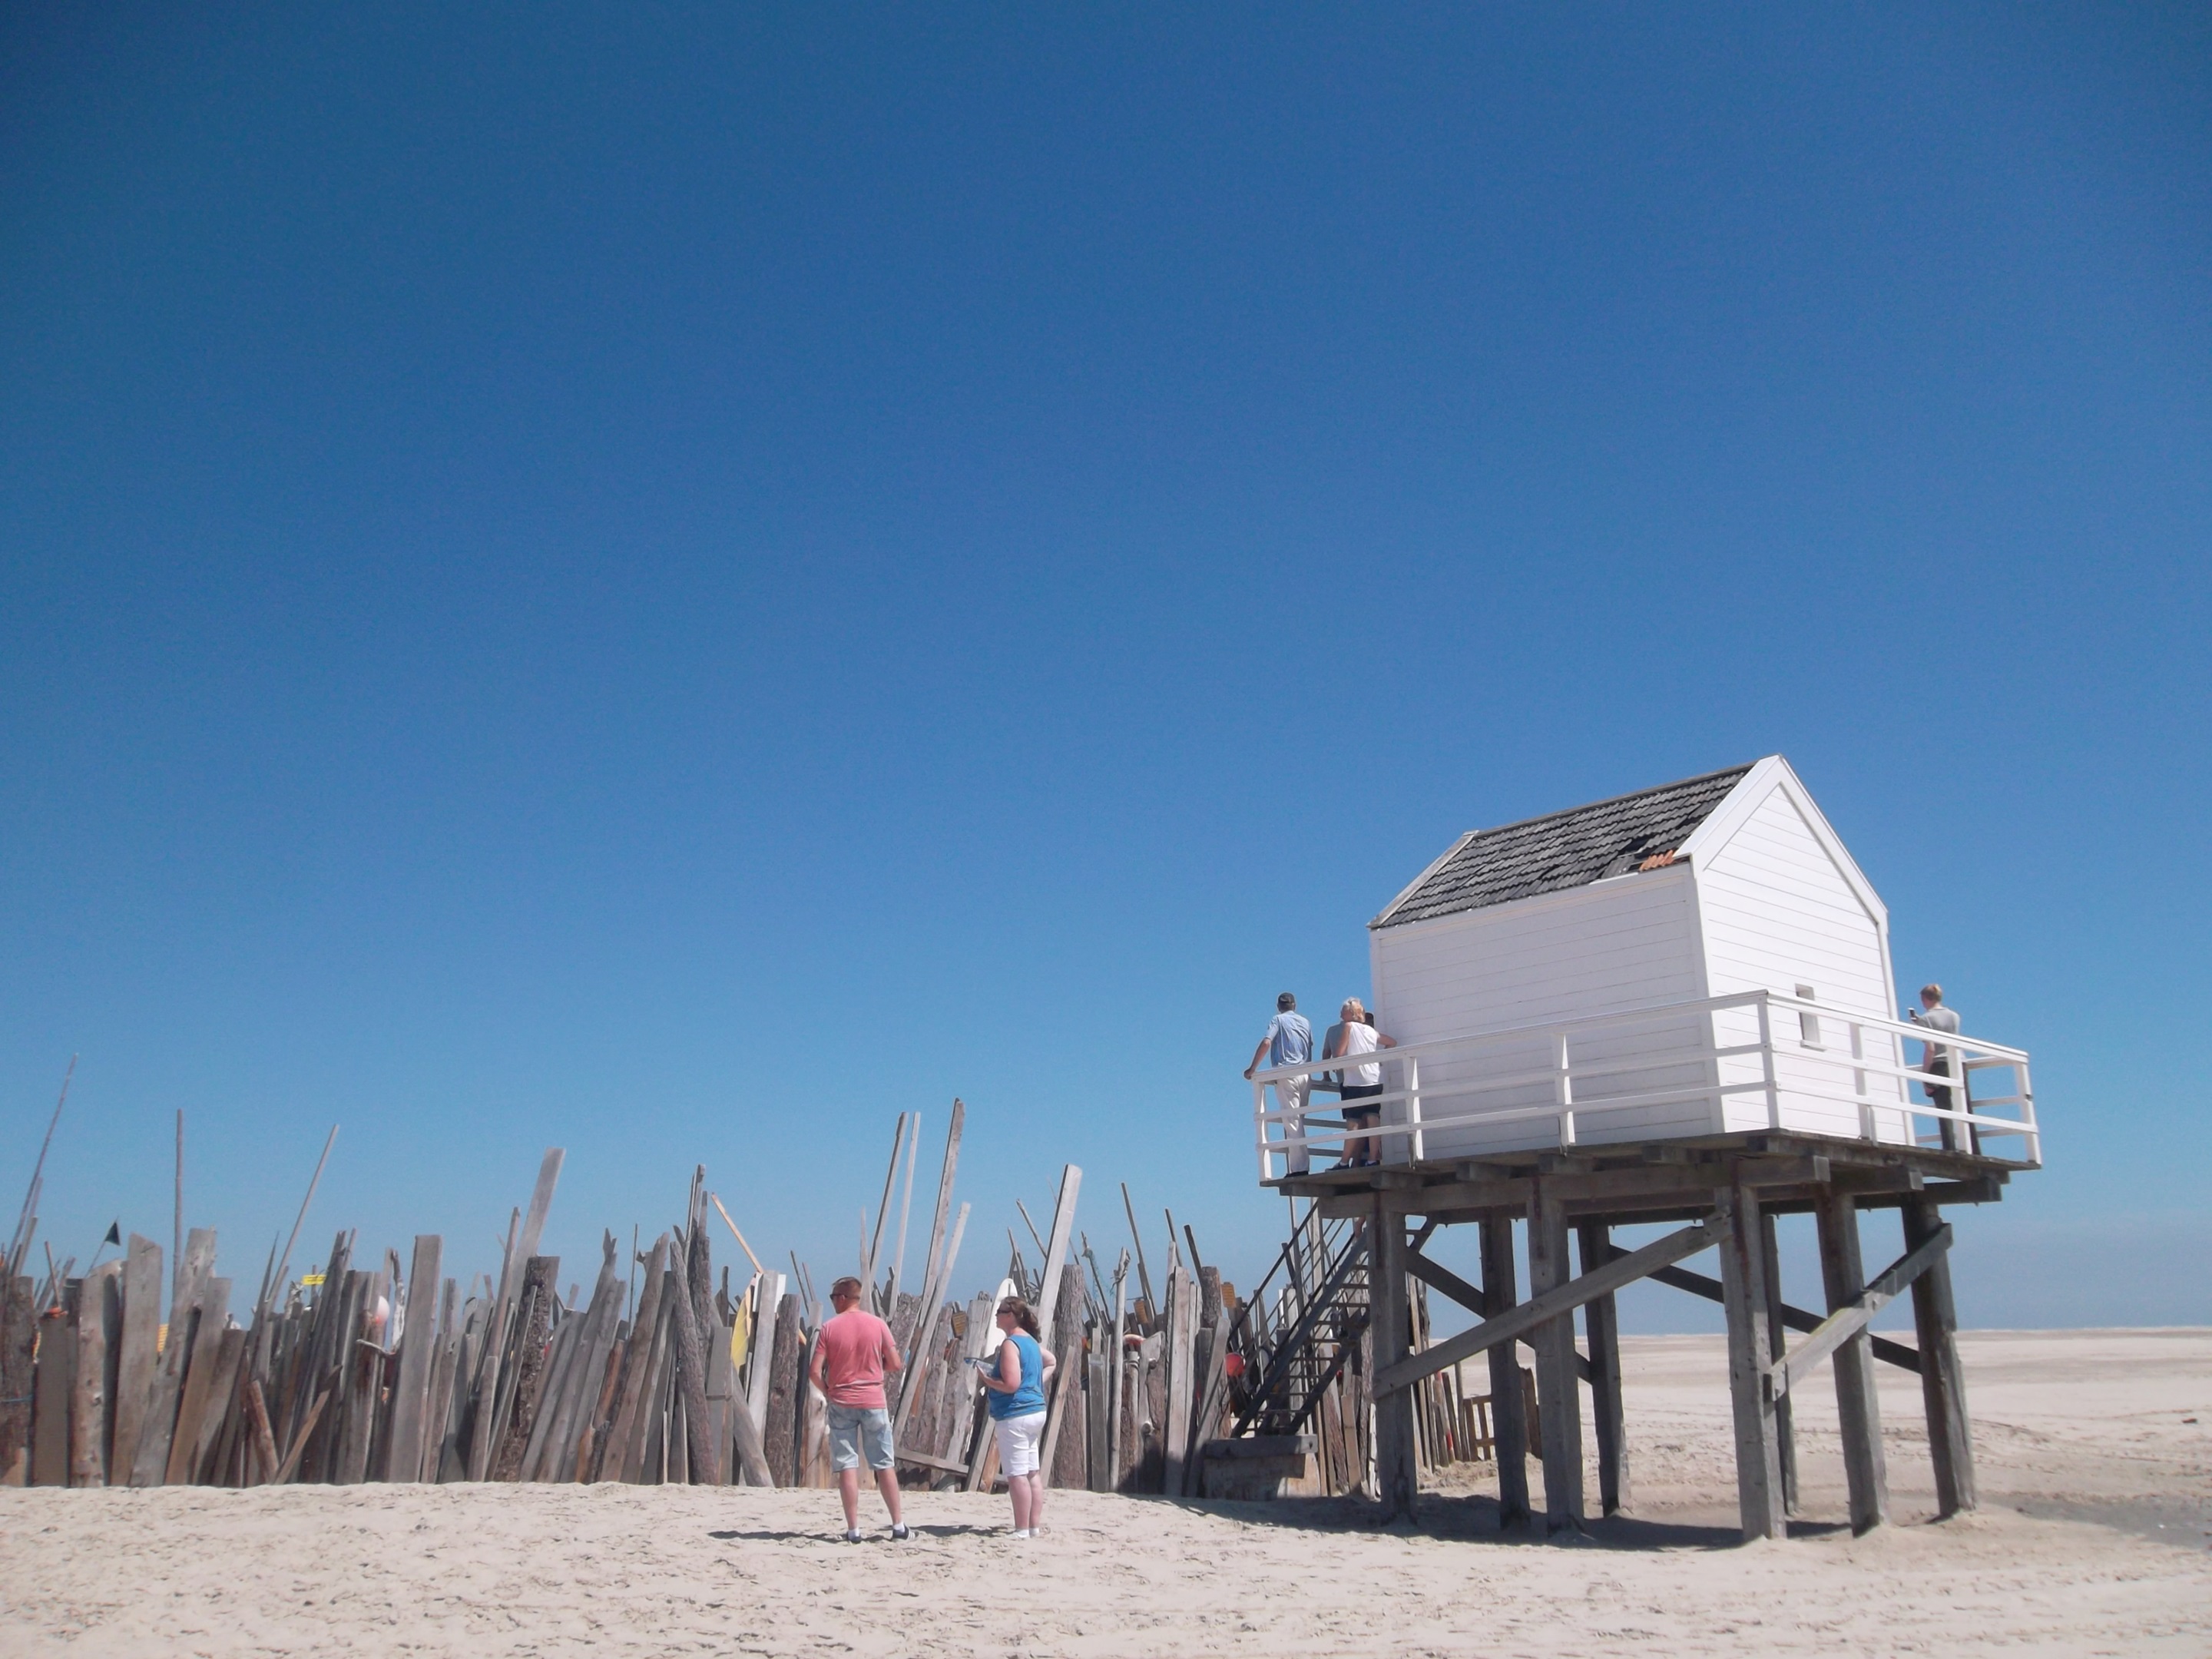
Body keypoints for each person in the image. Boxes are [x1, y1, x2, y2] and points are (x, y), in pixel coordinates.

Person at [810, 1274, 909, 1543]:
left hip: (842, 1400)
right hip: (873, 1399)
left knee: (847, 1466)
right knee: (884, 1463)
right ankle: (898, 1526)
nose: (832, 1303)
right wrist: (877, 1370)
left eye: (833, 1298)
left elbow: (814, 1371)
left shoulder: (830, 1328)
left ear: (843, 1298)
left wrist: (828, 1391)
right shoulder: (877, 1325)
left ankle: (854, 1530)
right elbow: (896, 1363)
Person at [977, 1295, 1055, 1537]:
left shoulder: (1011, 1344)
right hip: (1035, 1411)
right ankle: (1033, 1527)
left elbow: (1011, 1384)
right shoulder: (1030, 1342)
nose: (996, 1315)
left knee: (1017, 1473)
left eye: (1000, 1311)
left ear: (1011, 1316)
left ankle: (1022, 1528)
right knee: (1032, 1471)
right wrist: (1034, 1386)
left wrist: (987, 1379)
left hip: (1016, 1415)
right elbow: (1051, 1361)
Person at [1245, 992, 1314, 1174]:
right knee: (1299, 1120)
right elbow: (1309, 1046)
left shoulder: (1277, 1020)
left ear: (1279, 1006)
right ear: (1295, 1006)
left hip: (1287, 1072)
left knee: (1292, 1122)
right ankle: (1299, 1165)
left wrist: (1252, 1068)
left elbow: (1267, 1042)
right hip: (1304, 1073)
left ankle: (1300, 1168)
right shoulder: (1305, 1022)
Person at [1325, 998, 1397, 1167]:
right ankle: (1373, 1159)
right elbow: (1392, 1042)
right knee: (1373, 1119)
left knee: (1353, 1122)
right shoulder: (1371, 1031)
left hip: (1356, 1081)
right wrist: (1378, 1060)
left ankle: (1344, 1162)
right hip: (1375, 1079)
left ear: (1351, 1013)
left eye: (1343, 1011)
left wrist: (1347, 1063)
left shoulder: (1348, 1027)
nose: (1341, 1014)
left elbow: (1339, 1054)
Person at [1908, 983, 1965, 1151]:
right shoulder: (1955, 1016)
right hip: (1959, 1061)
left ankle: (1950, 1148)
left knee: (1944, 1109)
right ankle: (1972, 1148)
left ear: (1925, 998)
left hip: (1940, 1064)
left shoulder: (1926, 1019)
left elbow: (1931, 1048)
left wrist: (1925, 1076)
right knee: (1965, 1107)